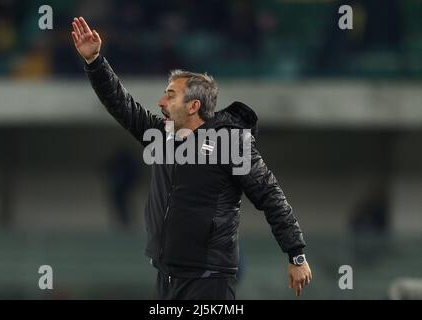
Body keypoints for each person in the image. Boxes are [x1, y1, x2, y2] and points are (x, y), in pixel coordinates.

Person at [71, 16, 311, 300]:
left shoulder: (231, 142)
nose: (161, 102)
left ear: (194, 106)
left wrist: (296, 254)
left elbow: (270, 195)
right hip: (167, 275)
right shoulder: (162, 136)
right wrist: (96, 62)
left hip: (207, 279)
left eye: (170, 96)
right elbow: (120, 104)